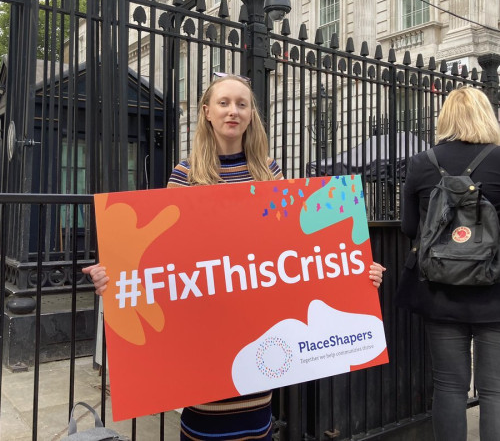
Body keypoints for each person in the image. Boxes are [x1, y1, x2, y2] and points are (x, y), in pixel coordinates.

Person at [84, 73, 386, 440]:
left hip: (257, 331)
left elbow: (301, 251)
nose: (233, 111)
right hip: (205, 332)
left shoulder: (270, 175)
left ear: (251, 115)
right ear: (207, 112)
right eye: (224, 103)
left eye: (242, 104)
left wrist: (355, 271)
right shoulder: (185, 175)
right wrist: (112, 277)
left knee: (256, 424)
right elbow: (158, 261)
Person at [397, 87, 500, 441]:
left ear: (444, 118)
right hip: (495, 291)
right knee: (495, 391)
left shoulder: (422, 162)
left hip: (439, 290)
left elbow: (410, 228)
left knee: (450, 386)